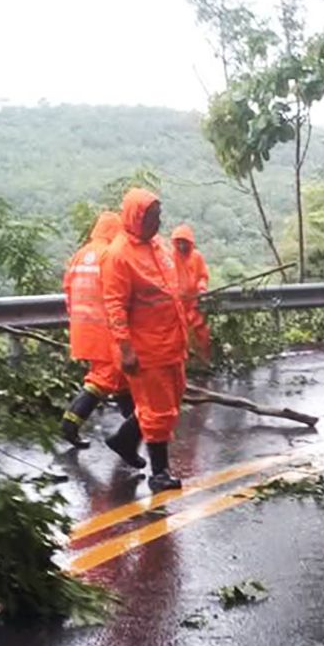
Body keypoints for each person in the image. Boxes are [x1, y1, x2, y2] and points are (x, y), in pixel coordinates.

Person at [102, 188, 189, 492]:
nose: (158, 222)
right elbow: (114, 306)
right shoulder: (119, 255)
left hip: (171, 342)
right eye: (152, 217)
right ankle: (160, 473)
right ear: (136, 217)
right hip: (146, 348)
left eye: (159, 216)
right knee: (157, 410)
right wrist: (125, 349)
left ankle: (124, 439)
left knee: (170, 401)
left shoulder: (157, 246)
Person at [59, 210, 133, 449]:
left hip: (83, 328)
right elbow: (117, 295)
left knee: (121, 379)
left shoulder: (79, 255)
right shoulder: (109, 255)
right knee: (103, 378)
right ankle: (70, 425)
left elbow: (68, 291)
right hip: (105, 330)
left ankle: (134, 427)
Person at [171, 224, 212, 366]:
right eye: (179, 242)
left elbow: (203, 276)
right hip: (178, 304)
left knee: (201, 332)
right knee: (179, 335)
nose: (182, 245)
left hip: (194, 303)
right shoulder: (171, 257)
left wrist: (201, 288)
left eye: (184, 242)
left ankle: (204, 361)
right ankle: (183, 364)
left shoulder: (197, 257)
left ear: (190, 243)